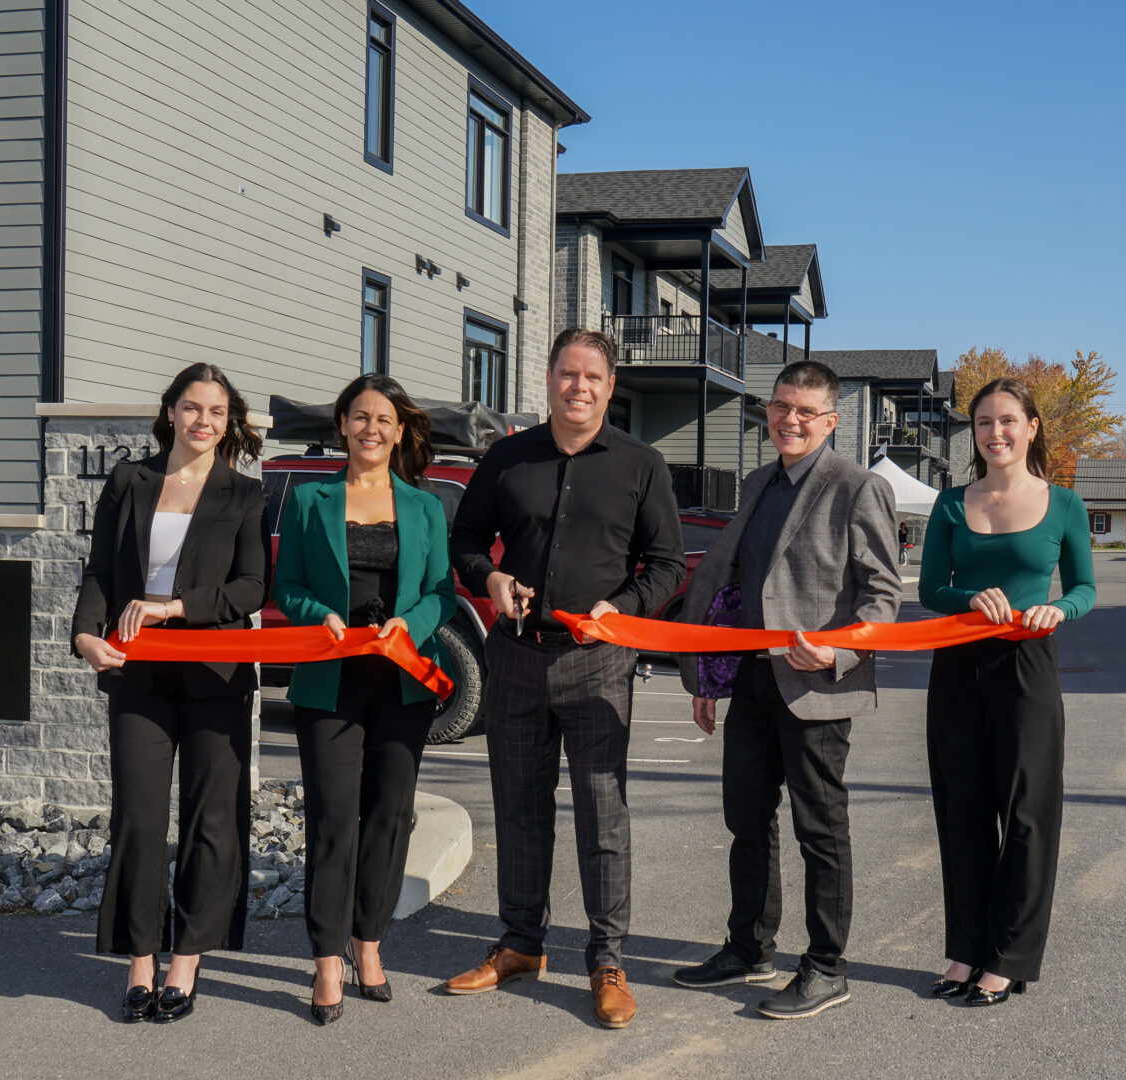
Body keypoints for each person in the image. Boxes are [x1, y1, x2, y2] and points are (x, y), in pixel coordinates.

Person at [445, 327, 686, 1030]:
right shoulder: (507, 458)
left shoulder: (641, 465)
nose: (578, 387)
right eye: (567, 374)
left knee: (601, 816)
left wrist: (627, 608)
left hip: (599, 661)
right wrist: (487, 575)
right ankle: (521, 944)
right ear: (548, 377)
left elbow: (666, 563)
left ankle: (607, 960)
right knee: (518, 809)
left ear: (611, 387)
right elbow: (465, 541)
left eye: (592, 377)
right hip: (516, 656)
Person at [673, 360, 901, 1020]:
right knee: (746, 820)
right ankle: (750, 947)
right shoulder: (757, 482)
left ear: (831, 422)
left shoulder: (858, 488)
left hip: (817, 688)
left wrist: (839, 645)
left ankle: (827, 965)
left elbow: (884, 598)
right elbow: (738, 589)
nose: (789, 420)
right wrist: (708, 675)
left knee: (819, 829)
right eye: (780, 407)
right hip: (751, 682)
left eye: (805, 412)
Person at [71, 362, 268, 1024]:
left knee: (213, 818)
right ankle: (139, 958)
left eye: (216, 412)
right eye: (192, 408)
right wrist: (83, 635)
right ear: (170, 411)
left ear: (228, 421)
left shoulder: (243, 493)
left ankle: (187, 958)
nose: (203, 421)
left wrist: (173, 607)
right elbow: (100, 568)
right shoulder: (130, 480)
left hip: (215, 674)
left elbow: (250, 590)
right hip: (137, 674)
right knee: (140, 816)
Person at [272, 373, 455, 1025]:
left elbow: (443, 592)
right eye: (358, 417)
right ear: (342, 426)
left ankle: (367, 943)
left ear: (400, 430)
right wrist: (317, 611)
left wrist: (415, 624)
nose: (370, 428)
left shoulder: (426, 506)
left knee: (388, 816)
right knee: (330, 820)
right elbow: (285, 584)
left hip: (402, 680)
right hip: (330, 680)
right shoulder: (308, 499)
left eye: (383, 419)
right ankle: (326, 959)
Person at [918, 377, 1095, 1006]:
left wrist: (1060, 611)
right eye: (985, 422)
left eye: (1008, 421)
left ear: (1032, 427)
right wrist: (968, 597)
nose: (996, 433)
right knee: (962, 812)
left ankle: (1010, 957)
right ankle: (966, 952)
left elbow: (1084, 588)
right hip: (958, 666)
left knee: (1025, 815)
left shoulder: (1065, 504)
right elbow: (930, 589)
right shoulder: (948, 503)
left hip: (1028, 665)